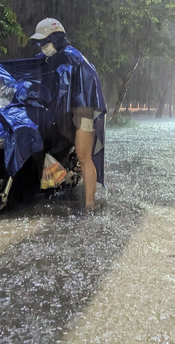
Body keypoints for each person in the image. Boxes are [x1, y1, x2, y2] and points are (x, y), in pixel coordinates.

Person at [29, 18, 104, 210]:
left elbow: (87, 88)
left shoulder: (73, 57)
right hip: (60, 112)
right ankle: (53, 185)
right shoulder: (49, 59)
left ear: (56, 38)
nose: (42, 47)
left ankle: (89, 205)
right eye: (40, 43)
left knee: (84, 155)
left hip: (82, 112)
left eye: (45, 42)